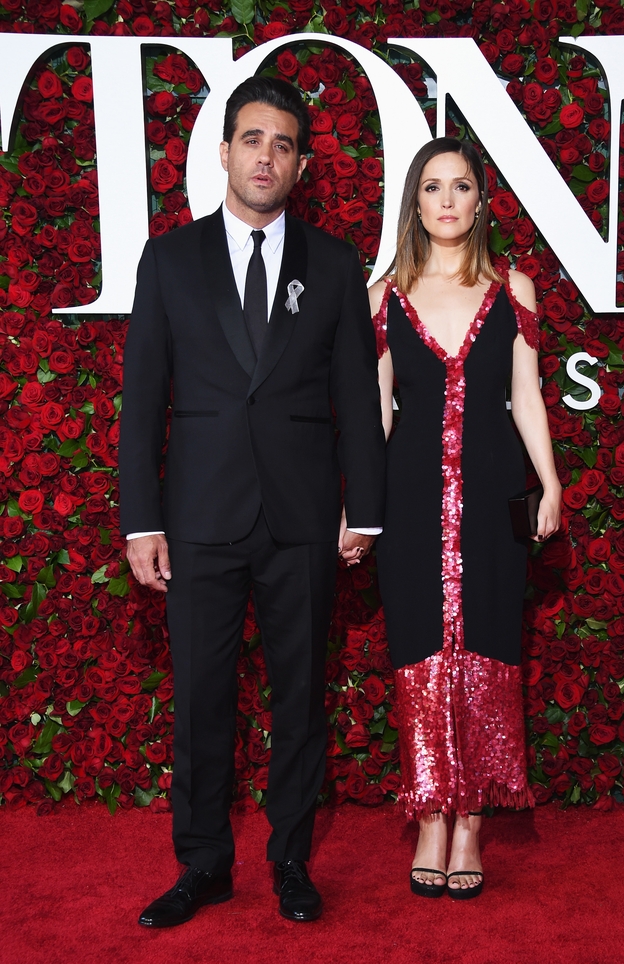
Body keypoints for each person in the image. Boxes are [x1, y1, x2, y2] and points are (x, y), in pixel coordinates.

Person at [119, 76, 386, 927]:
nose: (265, 156)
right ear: (225, 151)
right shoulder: (169, 260)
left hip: (302, 520)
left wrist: (365, 510)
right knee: (201, 700)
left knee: (300, 699)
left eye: (283, 144)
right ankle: (203, 864)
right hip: (198, 518)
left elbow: (357, 399)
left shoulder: (334, 264)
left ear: (300, 166)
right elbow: (142, 399)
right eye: (252, 139)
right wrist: (141, 520)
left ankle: (290, 859)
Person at [369, 137, 561, 900]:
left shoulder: (514, 289)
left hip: (492, 493)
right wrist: (359, 505)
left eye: (460, 186)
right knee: (418, 647)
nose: (446, 200)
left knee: (489, 646)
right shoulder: (383, 294)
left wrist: (550, 483)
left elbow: (528, 395)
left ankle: (471, 821)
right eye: (432, 187)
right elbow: (376, 412)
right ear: (414, 204)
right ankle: (429, 815)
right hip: (408, 500)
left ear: (481, 202)